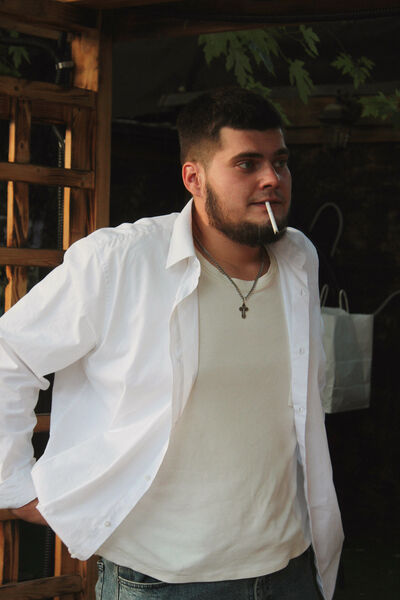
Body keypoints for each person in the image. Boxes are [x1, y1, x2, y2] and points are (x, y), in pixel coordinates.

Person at [0, 87, 343, 600]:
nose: (272, 178)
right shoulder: (120, 262)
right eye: (247, 164)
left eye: (280, 162)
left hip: (287, 567)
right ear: (193, 178)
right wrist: (16, 486)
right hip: (160, 580)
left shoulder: (299, 259)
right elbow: (10, 353)